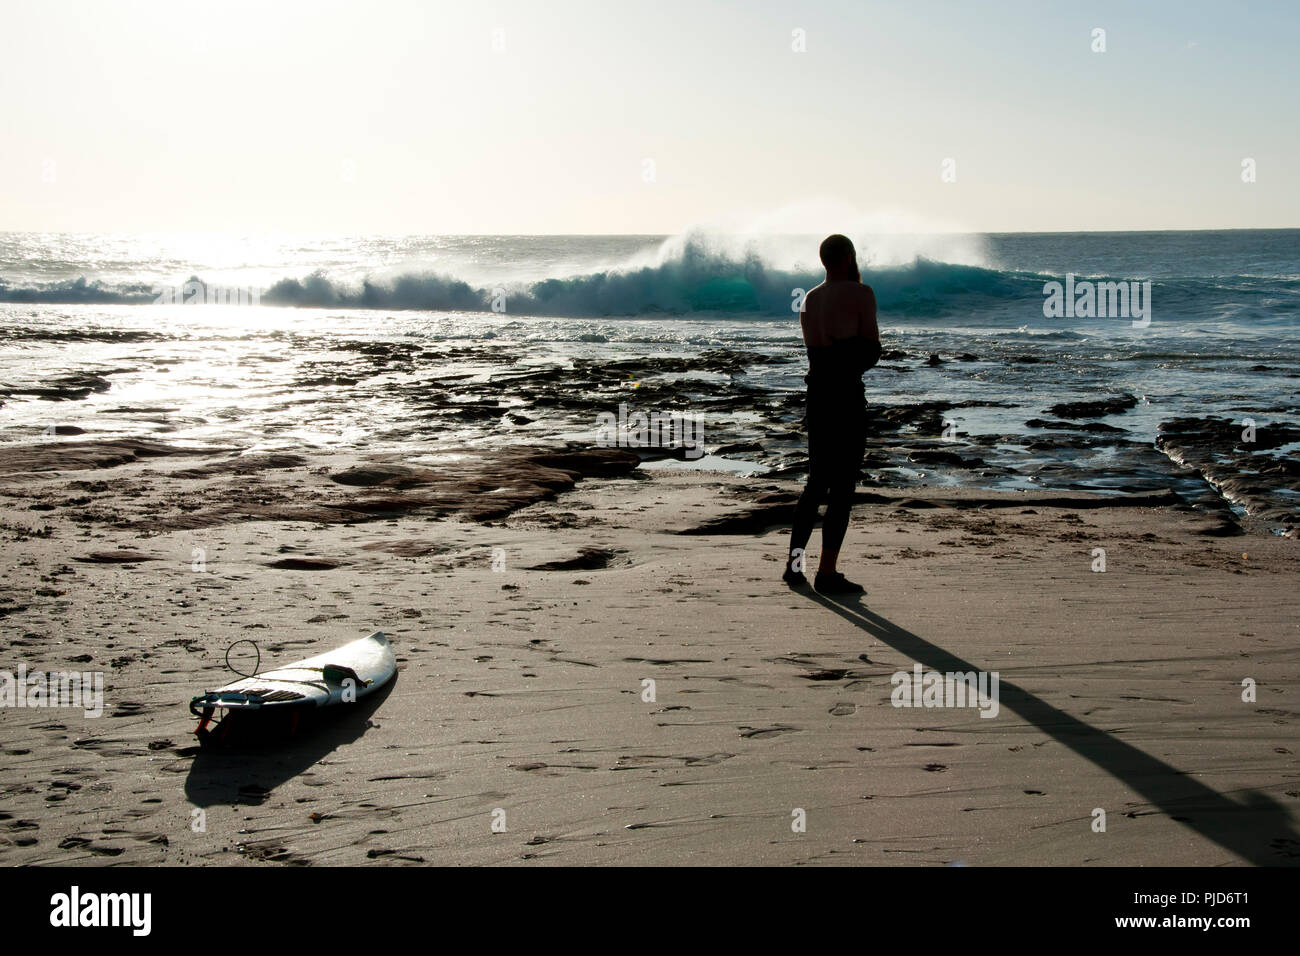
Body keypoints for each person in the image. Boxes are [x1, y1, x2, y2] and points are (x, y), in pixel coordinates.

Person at [784, 234, 881, 595]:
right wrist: (853, 349)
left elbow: (818, 355)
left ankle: (794, 566)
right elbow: (870, 351)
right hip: (846, 395)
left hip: (818, 395)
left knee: (814, 484)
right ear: (850, 257)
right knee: (842, 487)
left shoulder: (810, 298)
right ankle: (826, 572)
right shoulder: (861, 293)